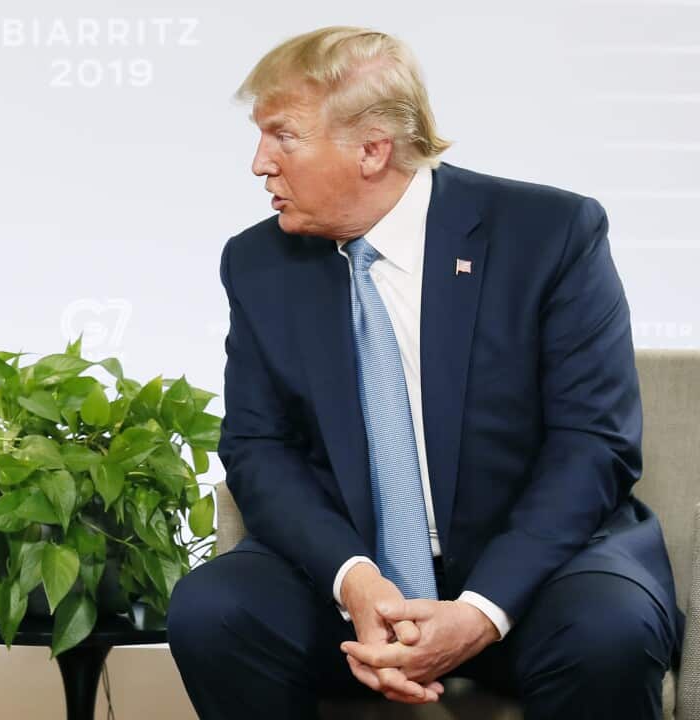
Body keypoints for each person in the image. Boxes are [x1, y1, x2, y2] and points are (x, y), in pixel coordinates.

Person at [168, 26, 682, 719]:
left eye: (283, 136)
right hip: (357, 578)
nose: (261, 163)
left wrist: (479, 610)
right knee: (214, 610)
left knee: (606, 633)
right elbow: (259, 449)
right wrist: (356, 580)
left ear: (372, 149)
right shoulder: (259, 264)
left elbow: (593, 445)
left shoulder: (549, 233)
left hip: (536, 574)